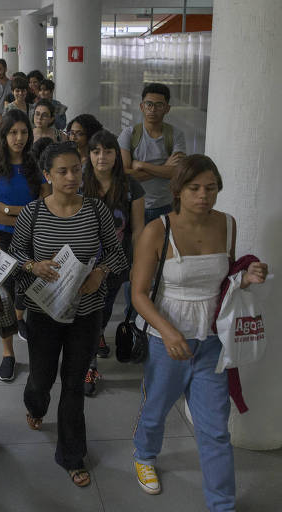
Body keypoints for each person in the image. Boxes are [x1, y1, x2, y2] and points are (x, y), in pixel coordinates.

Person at [130, 154, 267, 511]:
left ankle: (222, 504)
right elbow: (139, 294)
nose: (203, 196)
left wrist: (245, 277)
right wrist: (169, 332)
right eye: (194, 188)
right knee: (157, 407)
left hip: (213, 341)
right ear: (178, 190)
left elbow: (225, 282)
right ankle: (144, 455)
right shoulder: (157, 230)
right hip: (166, 340)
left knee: (215, 427)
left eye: (211, 188)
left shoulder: (228, 225)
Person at [8, 141, 127, 488]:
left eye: (77, 169)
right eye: (63, 171)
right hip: (44, 313)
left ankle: (72, 456)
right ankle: (35, 404)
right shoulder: (33, 213)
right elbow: (13, 258)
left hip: (85, 313)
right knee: (42, 379)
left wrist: (100, 272)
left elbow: (119, 256)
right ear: (47, 175)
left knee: (73, 384)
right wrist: (33, 265)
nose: (72, 176)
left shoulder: (96, 211)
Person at [0, 109, 49, 381]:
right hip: (1, 239)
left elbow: (45, 206)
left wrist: (8, 209)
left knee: (29, 293)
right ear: (4, 135)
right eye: (13, 132)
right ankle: (8, 353)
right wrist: (20, 211)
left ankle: (26, 331)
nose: (19, 138)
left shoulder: (35, 166)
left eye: (23, 132)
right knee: (4, 299)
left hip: (33, 239)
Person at [81, 129, 145, 395]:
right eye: (96, 151)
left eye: (108, 151)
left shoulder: (131, 187)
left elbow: (139, 229)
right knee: (86, 311)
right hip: (82, 262)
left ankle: (93, 346)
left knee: (104, 309)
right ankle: (88, 362)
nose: (102, 157)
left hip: (117, 262)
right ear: (89, 155)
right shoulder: (80, 184)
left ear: (117, 155)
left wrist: (140, 263)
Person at [119, 83, 187, 224]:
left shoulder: (176, 135)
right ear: (141, 106)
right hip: (134, 205)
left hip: (166, 207)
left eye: (159, 105)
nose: (152, 109)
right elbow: (124, 175)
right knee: (134, 245)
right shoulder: (129, 135)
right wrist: (165, 167)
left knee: (163, 246)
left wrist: (141, 165)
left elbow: (177, 172)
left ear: (167, 109)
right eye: (148, 104)